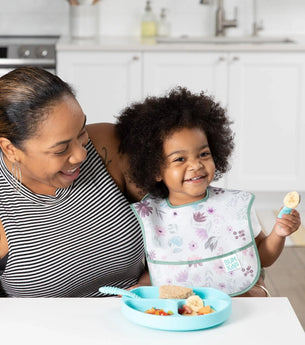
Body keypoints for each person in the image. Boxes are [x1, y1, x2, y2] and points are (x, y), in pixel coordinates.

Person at [0, 66, 149, 297]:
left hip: (141, 317)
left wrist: (150, 284)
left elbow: (182, 214)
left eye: (81, 133)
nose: (81, 154)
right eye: (61, 149)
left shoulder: (106, 146)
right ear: (10, 149)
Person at [115, 86, 301, 297]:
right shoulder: (151, 216)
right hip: (179, 310)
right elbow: (159, 270)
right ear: (156, 169)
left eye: (203, 154)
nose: (196, 165)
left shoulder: (234, 205)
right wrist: (141, 289)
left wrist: (279, 233)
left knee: (256, 295)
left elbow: (262, 258)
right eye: (180, 159)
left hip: (237, 300)